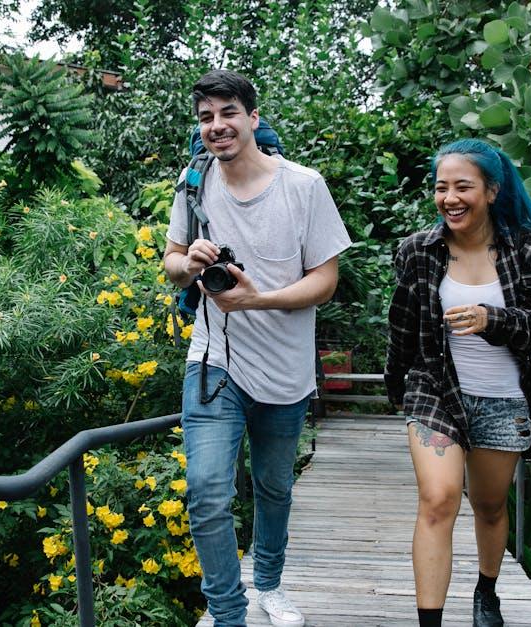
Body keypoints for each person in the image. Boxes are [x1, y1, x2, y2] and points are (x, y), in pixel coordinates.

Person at [163, 69, 351, 627]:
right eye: (205, 118)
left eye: (227, 114)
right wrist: (189, 263)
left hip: (286, 372)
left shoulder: (303, 186)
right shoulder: (194, 181)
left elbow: (326, 280)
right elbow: (171, 264)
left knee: (273, 487)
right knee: (206, 491)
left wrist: (258, 300)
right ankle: (228, 613)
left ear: (252, 117)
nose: (216, 127)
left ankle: (268, 583)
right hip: (214, 363)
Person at [385, 139, 531, 627]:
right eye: (441, 188)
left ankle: (487, 590)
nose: (450, 198)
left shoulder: (526, 249)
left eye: (463, 186)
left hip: (504, 397)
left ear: (491, 190)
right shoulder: (418, 251)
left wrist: (490, 319)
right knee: (438, 499)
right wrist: (398, 387)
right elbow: (402, 323)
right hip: (435, 391)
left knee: (488, 505)